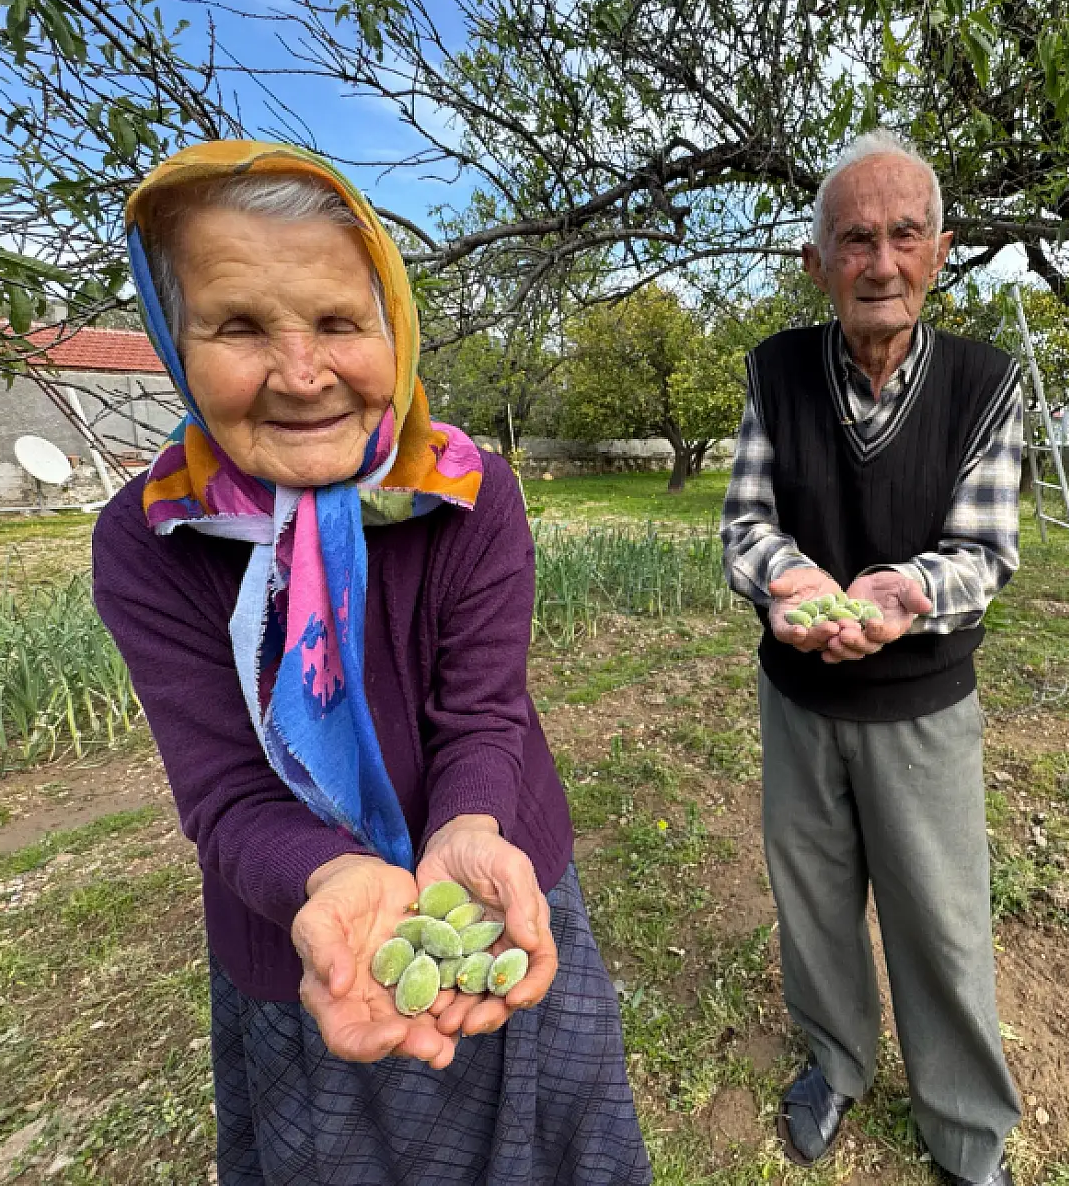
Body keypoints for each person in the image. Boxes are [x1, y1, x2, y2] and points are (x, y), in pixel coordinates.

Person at [92, 141, 651, 1186]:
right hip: (309, 941)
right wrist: (330, 877)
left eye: (339, 322)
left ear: (391, 325)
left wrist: (467, 828)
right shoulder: (150, 537)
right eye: (239, 325)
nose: (301, 374)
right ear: (175, 341)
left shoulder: (468, 492)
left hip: (494, 892)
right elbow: (220, 793)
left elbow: (483, 714)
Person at [720, 129, 1025, 1186]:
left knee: (938, 920)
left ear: (938, 252)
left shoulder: (985, 383)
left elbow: (983, 549)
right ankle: (835, 1061)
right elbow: (746, 524)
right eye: (854, 238)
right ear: (817, 262)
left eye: (903, 236)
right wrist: (788, 583)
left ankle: (963, 1126)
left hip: (921, 702)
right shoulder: (773, 371)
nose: (880, 262)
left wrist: (907, 595)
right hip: (798, 696)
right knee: (811, 898)